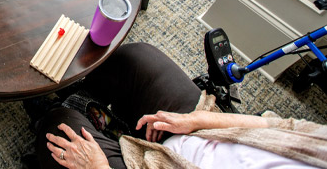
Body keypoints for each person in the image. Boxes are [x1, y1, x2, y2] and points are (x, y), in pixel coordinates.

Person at [26, 43, 327, 168]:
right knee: (138, 58)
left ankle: (46, 120)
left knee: (59, 128)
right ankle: (86, 93)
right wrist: (197, 122)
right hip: (206, 135)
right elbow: (280, 126)